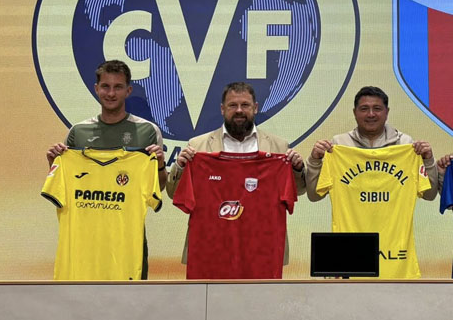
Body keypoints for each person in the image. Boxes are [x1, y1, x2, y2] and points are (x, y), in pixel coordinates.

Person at [45, 59, 166, 279]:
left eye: (118, 87)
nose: (111, 93)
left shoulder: (148, 131)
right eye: (105, 86)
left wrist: (159, 164)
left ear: (128, 90)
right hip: (82, 247)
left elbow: (158, 188)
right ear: (96, 89)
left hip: (127, 246)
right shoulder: (78, 132)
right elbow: (64, 186)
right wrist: (54, 163)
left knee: (129, 299)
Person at [165, 82, 306, 196]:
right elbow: (174, 194)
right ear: (222, 109)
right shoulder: (197, 146)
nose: (239, 110)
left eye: (245, 105)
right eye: (232, 105)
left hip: (263, 223)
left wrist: (297, 169)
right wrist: (180, 167)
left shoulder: (279, 146)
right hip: (213, 223)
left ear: (255, 108)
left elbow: (298, 191)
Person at [305, 86, 437, 202]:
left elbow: (429, 195)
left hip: (395, 224)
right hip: (351, 223)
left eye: (377, 109)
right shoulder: (339, 144)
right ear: (355, 112)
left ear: (387, 112)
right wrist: (315, 161)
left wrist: (428, 161)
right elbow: (315, 195)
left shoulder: (405, 144)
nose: (371, 114)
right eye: (364, 109)